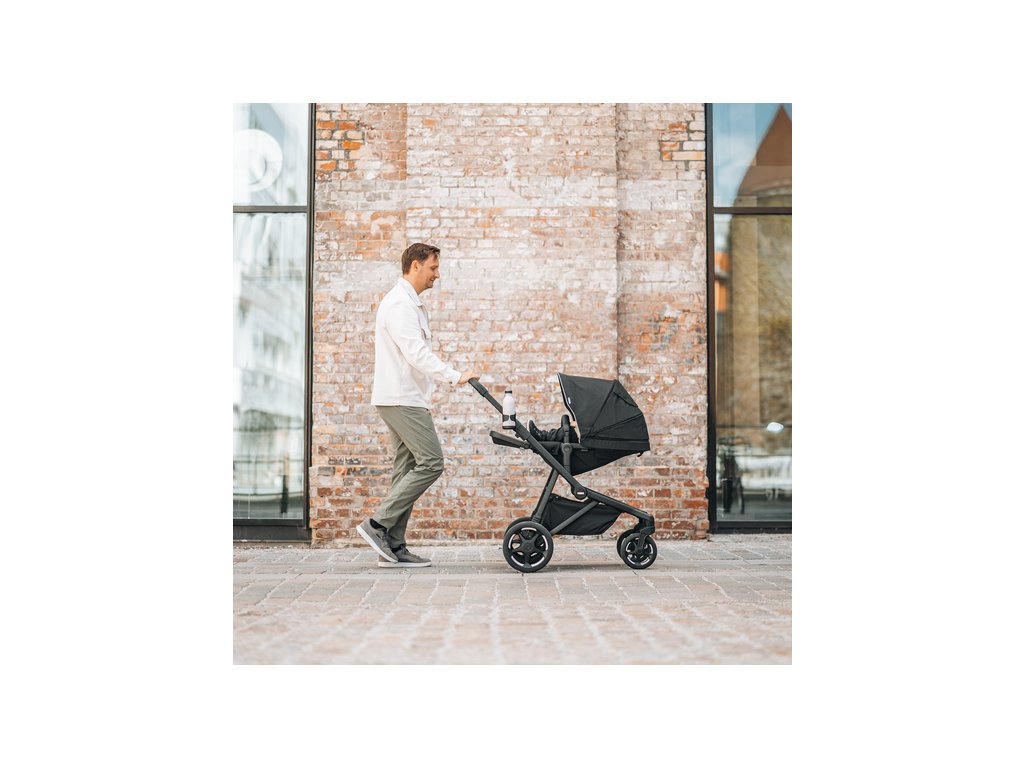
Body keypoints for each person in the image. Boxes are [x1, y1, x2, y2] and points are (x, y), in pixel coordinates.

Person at [357, 243, 479, 567]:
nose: (437, 275)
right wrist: (455, 376)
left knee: (406, 470)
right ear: (415, 266)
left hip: (404, 397)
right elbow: (416, 354)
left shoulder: (411, 304)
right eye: (433, 268)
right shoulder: (400, 304)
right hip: (401, 399)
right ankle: (377, 524)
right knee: (432, 462)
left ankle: (392, 546)